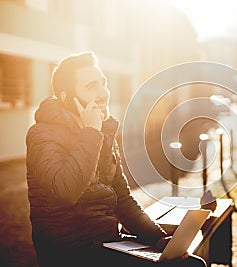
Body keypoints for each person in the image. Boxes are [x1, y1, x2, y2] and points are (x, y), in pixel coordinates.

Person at [26, 51, 206, 267]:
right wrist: (91, 132)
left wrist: (158, 240)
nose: (103, 93)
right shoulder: (42, 135)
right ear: (66, 98)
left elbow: (123, 200)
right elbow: (67, 190)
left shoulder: (103, 134)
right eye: (91, 87)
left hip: (107, 244)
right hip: (72, 253)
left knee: (188, 263)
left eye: (103, 84)